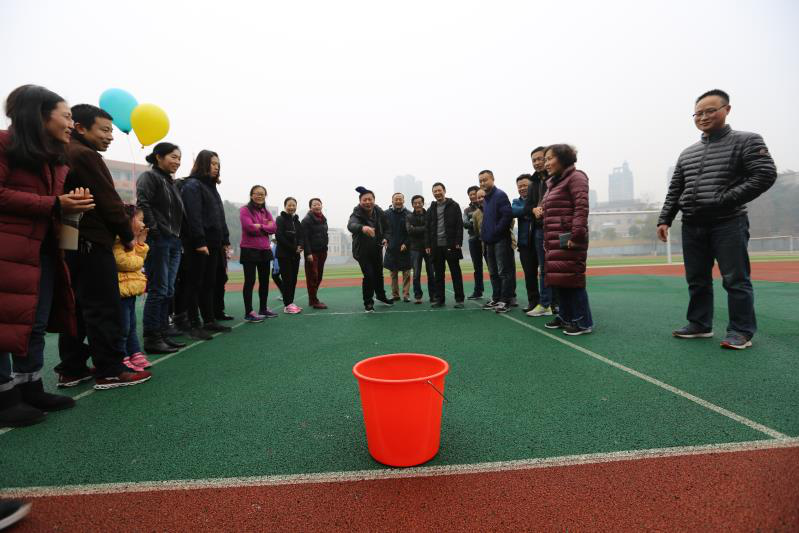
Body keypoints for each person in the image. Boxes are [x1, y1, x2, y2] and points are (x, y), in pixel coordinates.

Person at [0, 85, 94, 426]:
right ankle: (4, 397)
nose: (71, 124)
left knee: (34, 324)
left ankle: (30, 386)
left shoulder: (55, 158)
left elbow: (54, 207)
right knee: (4, 324)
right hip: (8, 251)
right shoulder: (4, 144)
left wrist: (70, 211)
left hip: (42, 251)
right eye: (66, 116)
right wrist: (55, 204)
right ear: (39, 115)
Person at [657, 89, 777, 349]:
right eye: (698, 113)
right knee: (697, 279)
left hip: (728, 222)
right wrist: (664, 219)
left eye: (710, 111)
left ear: (727, 110)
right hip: (692, 224)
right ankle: (699, 324)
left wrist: (725, 198)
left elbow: (765, 174)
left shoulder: (747, 140)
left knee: (735, 280)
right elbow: (675, 189)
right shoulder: (687, 153)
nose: (703, 117)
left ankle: (740, 331)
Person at [54, 104, 153, 391]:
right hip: (92, 240)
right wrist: (127, 233)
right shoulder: (85, 155)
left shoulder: (65, 152)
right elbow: (108, 200)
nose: (110, 136)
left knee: (77, 307)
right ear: (81, 127)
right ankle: (110, 369)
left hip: (71, 238)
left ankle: (71, 368)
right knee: (103, 307)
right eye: (105, 130)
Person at [137, 142, 186, 354]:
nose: (177, 161)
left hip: (174, 240)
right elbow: (143, 203)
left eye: (179, 158)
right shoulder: (149, 177)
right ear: (158, 157)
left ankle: (163, 333)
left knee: (168, 290)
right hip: (159, 240)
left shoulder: (170, 182)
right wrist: (155, 232)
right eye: (173, 157)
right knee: (158, 290)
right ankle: (152, 337)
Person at [541, 144, 594, 335]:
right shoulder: (554, 182)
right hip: (555, 238)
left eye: (549, 158)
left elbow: (581, 207)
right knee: (561, 280)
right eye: (545, 160)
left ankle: (583, 322)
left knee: (573, 279)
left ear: (563, 158)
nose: (546, 163)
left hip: (569, 237)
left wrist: (576, 235)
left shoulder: (576, 177)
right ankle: (565, 317)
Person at [179, 150, 231, 339]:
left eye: (218, 164)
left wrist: (225, 239)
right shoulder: (193, 185)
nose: (216, 167)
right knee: (195, 283)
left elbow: (219, 216)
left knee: (210, 282)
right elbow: (194, 216)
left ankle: (209, 320)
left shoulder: (211, 187)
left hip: (214, 242)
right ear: (202, 164)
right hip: (200, 243)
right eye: (212, 163)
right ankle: (193, 324)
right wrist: (200, 241)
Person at [114, 206, 151, 371]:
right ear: (129, 221)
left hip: (129, 290)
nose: (143, 224)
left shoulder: (131, 242)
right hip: (121, 290)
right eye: (140, 220)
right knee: (123, 326)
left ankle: (134, 352)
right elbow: (123, 262)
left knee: (132, 325)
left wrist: (141, 244)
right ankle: (121, 355)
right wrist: (139, 260)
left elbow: (137, 258)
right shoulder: (117, 241)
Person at [347, 187, 394, 312]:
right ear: (360, 201)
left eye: (370, 199)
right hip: (362, 250)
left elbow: (387, 227)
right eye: (364, 200)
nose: (367, 202)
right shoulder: (356, 213)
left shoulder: (378, 211)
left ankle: (381, 296)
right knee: (369, 275)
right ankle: (368, 302)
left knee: (378, 274)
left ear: (374, 200)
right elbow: (351, 225)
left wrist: (386, 238)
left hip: (376, 248)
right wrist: (362, 228)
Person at [239, 185, 278, 322]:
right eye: (257, 193)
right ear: (251, 195)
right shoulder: (245, 210)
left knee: (264, 281)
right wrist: (266, 227)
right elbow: (249, 227)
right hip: (249, 249)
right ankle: (249, 312)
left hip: (265, 250)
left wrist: (260, 226)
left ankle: (263, 308)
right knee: (250, 281)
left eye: (262, 194)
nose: (260, 196)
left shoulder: (265, 211)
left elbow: (274, 228)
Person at [526, 146, 556, 317]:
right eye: (534, 160)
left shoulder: (558, 178)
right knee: (543, 268)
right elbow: (527, 206)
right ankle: (545, 304)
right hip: (539, 230)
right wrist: (533, 210)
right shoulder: (533, 183)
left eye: (540, 159)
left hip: (556, 229)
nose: (537, 163)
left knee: (558, 267)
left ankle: (557, 303)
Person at [478, 170, 514, 313]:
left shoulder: (500, 195)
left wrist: (495, 231)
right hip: (489, 241)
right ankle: (496, 298)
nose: (482, 183)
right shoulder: (486, 199)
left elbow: (507, 216)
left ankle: (505, 301)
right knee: (493, 272)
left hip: (500, 240)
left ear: (492, 179)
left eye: (485, 179)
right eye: (480, 180)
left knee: (503, 272)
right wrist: (485, 235)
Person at [425, 182, 465, 308]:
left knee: (455, 273)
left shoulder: (454, 205)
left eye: (439, 190)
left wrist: (458, 242)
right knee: (438, 274)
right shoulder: (431, 209)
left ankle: (459, 299)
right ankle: (440, 299)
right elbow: (427, 228)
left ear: (444, 191)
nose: (437, 193)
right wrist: (428, 245)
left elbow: (459, 225)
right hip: (436, 246)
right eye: (435, 191)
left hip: (451, 244)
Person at [512, 174, 540, 313]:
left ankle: (551, 302)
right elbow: (513, 211)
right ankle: (533, 302)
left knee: (546, 274)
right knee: (529, 275)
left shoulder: (539, 198)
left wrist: (527, 211)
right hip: (525, 245)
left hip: (540, 242)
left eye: (525, 185)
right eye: (520, 186)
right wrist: (531, 210)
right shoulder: (516, 201)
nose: (522, 188)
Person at [275, 197, 304, 314]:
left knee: (293, 280)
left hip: (295, 256)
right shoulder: (280, 219)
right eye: (289, 205)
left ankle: (291, 303)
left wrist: (300, 246)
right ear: (285, 206)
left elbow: (301, 236)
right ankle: (287, 305)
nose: (291, 207)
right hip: (284, 255)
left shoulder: (297, 221)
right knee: (287, 280)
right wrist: (294, 248)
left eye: (293, 205)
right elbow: (279, 236)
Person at [407, 194, 435, 304]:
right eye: (415, 203)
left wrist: (416, 229)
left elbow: (432, 229)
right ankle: (418, 296)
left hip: (429, 247)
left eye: (419, 202)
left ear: (423, 203)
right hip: (415, 248)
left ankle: (433, 296)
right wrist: (425, 228)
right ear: (412, 205)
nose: (417, 204)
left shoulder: (429, 214)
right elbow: (410, 231)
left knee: (431, 273)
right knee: (416, 274)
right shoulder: (409, 216)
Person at [384, 192, 412, 302]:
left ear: (404, 201)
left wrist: (406, 243)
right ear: (392, 201)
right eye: (396, 199)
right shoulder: (386, 214)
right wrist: (385, 239)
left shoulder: (409, 214)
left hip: (406, 248)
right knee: (393, 274)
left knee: (407, 273)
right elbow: (384, 229)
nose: (398, 201)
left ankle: (406, 295)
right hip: (391, 248)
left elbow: (411, 233)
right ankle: (395, 294)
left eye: (400, 199)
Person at [302, 198, 329, 309]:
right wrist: (308, 253)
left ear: (321, 206)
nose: (317, 206)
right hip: (312, 252)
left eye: (318, 204)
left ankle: (312, 298)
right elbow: (305, 238)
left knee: (319, 276)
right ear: (310, 207)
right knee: (313, 276)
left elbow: (325, 234)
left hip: (322, 251)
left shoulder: (323, 219)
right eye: (314, 205)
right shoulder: (306, 220)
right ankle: (313, 300)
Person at [463, 186, 485, 299]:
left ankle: (498, 293)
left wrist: (472, 220)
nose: (472, 196)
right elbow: (465, 223)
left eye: (474, 194)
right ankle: (478, 291)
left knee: (493, 266)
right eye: (470, 195)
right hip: (473, 239)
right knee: (477, 267)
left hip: (486, 238)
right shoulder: (467, 210)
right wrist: (476, 220)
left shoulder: (486, 205)